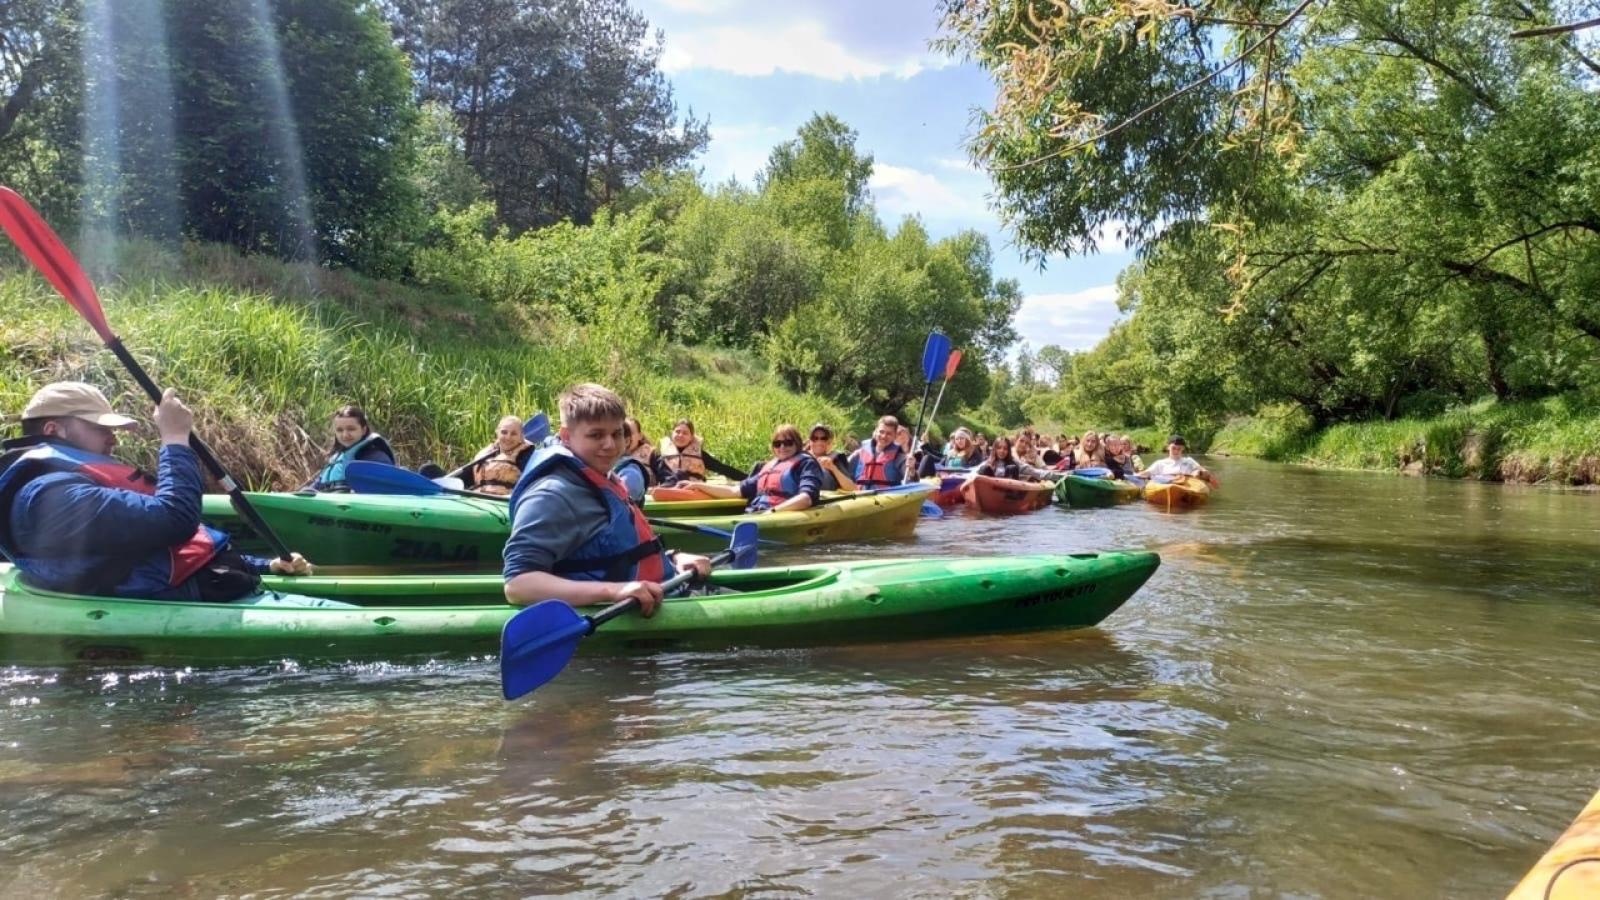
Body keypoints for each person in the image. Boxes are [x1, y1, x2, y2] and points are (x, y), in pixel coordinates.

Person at [0, 381, 329, 604]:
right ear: (53, 429)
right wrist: (174, 439)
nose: (113, 439)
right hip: (195, 603)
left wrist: (264, 565)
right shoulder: (50, 497)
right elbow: (174, 518)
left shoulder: (66, 483)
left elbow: (157, 551)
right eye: (101, 428)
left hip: (212, 588)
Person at [503, 384, 712, 618]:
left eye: (617, 433)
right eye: (596, 435)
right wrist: (613, 591)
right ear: (566, 437)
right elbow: (518, 585)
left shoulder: (603, 476)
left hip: (667, 590)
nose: (610, 444)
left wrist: (673, 558)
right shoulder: (551, 495)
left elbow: (619, 549)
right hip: (631, 613)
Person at [697, 424, 823, 512]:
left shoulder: (806, 464)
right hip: (757, 513)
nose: (782, 447)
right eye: (777, 444)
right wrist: (697, 485)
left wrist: (773, 511)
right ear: (773, 447)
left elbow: (806, 498)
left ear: (797, 444)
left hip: (778, 514)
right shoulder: (768, 467)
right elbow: (735, 492)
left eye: (788, 442)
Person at [307, 405, 394, 492]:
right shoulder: (336, 459)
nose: (345, 435)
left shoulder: (378, 458)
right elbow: (315, 486)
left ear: (363, 430)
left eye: (351, 429)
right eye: (340, 430)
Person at [458, 415, 535, 497]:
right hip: (478, 500)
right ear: (497, 432)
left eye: (514, 434)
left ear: (521, 437)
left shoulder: (526, 455)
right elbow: (463, 480)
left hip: (503, 502)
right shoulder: (485, 454)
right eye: (504, 432)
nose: (508, 437)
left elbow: (532, 484)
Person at [658, 419, 746, 484]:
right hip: (669, 488)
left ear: (691, 437)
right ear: (672, 434)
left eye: (685, 433)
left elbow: (722, 468)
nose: (680, 435)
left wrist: (747, 478)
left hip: (693, 488)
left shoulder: (699, 454)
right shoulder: (662, 455)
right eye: (677, 432)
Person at [848, 415, 906, 489]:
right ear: (875, 431)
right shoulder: (860, 452)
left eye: (889, 434)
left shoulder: (899, 456)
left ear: (894, 435)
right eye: (881, 432)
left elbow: (912, 479)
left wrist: (912, 470)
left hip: (886, 497)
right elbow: (845, 472)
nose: (884, 436)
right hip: (860, 495)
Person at [1137, 435, 1215, 482]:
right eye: (1173, 448)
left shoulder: (1189, 461)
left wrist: (1199, 473)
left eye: (1179, 448)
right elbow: (1147, 473)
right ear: (1168, 447)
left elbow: (1205, 472)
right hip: (1166, 484)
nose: (1176, 451)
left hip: (1187, 485)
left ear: (1183, 449)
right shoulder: (1160, 463)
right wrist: (1136, 476)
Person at [805, 424, 856, 491]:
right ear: (809, 441)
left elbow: (852, 488)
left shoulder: (835, 461)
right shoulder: (800, 458)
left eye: (823, 438)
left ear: (828, 442)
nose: (819, 442)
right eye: (815, 438)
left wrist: (833, 468)